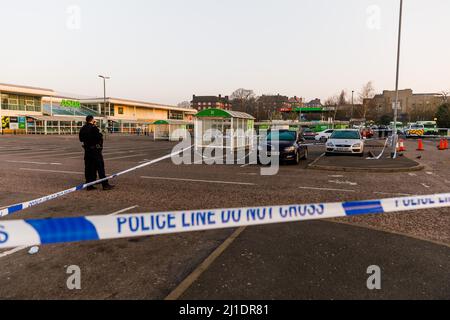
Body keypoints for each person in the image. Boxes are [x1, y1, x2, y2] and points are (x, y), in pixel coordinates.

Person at [79, 116, 115, 191]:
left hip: (87, 150)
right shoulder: (93, 127)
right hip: (95, 150)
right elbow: (99, 137)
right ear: (92, 120)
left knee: (88, 168)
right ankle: (105, 185)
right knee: (100, 167)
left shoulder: (83, 128)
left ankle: (89, 185)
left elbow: (81, 139)